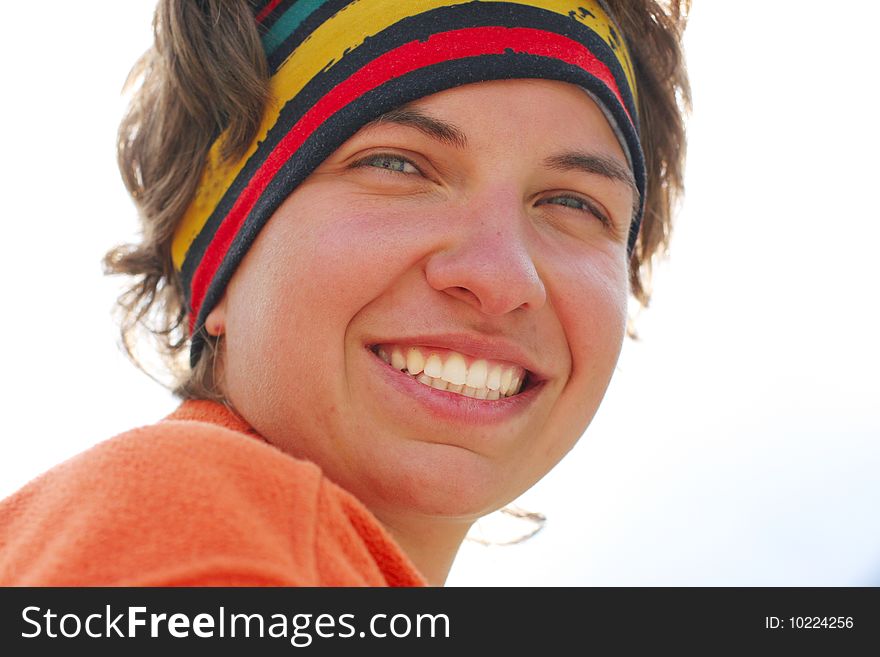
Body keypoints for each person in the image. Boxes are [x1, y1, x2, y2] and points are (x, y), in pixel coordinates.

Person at [0, 0, 689, 586]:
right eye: (398, 165)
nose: (502, 276)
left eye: (572, 202)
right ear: (216, 241)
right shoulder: (206, 532)